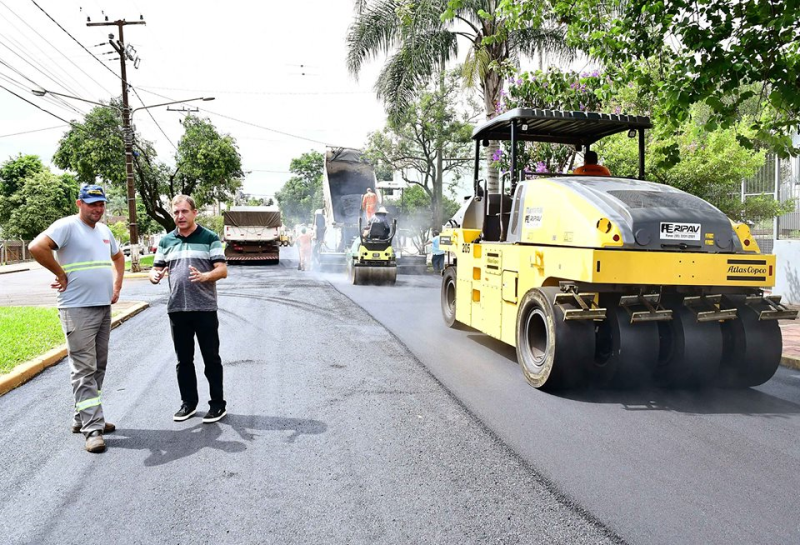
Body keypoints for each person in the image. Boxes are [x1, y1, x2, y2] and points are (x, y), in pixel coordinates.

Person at [28, 184, 124, 454]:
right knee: (83, 368)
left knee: (98, 367)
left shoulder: (105, 231)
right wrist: (59, 273)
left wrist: (116, 288)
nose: (98, 208)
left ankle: (83, 416)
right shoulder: (67, 226)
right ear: (78, 203)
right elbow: (37, 247)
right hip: (76, 308)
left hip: (102, 307)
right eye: (92, 203)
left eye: (101, 203)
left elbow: (118, 258)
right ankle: (92, 428)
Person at [149, 195, 228, 424]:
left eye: (184, 212)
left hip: (204, 308)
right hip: (177, 309)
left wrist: (206, 276)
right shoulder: (166, 241)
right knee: (183, 360)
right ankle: (188, 403)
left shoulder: (209, 238)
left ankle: (217, 405)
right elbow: (156, 269)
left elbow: (222, 270)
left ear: (194, 213)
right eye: (176, 213)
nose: (180, 217)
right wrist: (154, 276)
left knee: (211, 359)